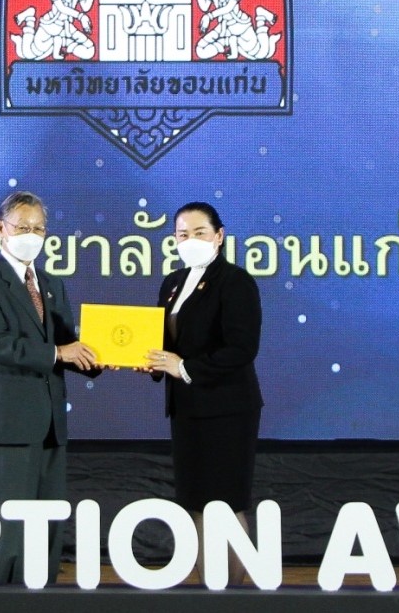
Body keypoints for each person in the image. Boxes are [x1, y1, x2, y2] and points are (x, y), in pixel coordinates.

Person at [0, 190, 98, 585]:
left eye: (39, 228)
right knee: (13, 523)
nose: (31, 235)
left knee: (50, 520)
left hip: (52, 423)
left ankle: (47, 595)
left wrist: (99, 357)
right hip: (13, 421)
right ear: (0, 229)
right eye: (23, 227)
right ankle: (8, 600)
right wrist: (59, 352)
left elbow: (66, 343)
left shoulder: (53, 283)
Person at [147, 202, 264, 567]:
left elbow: (242, 349)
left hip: (226, 409)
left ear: (219, 235)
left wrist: (184, 367)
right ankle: (205, 590)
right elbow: (165, 343)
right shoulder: (173, 282)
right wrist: (146, 360)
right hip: (187, 409)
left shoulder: (236, 281)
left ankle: (234, 593)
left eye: (200, 232)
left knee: (225, 505)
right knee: (195, 503)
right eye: (183, 234)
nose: (191, 240)